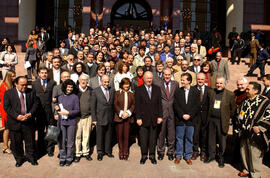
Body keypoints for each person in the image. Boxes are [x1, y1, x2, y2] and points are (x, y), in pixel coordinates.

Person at [236, 82, 270, 178]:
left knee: (255, 154)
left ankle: (256, 173)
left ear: (256, 91)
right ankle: (246, 169)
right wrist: (239, 124)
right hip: (244, 131)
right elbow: (241, 113)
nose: (246, 91)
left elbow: (269, 116)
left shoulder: (265, 102)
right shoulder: (245, 100)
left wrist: (260, 128)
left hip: (256, 133)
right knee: (244, 151)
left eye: (248, 89)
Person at [3, 76, 38, 167]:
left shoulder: (31, 92)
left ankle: (31, 158)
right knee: (16, 142)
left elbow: (35, 104)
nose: (24, 87)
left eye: (26, 85)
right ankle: (19, 159)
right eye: (22, 85)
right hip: (15, 122)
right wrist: (17, 116)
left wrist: (30, 113)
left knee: (30, 141)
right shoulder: (8, 93)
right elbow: (7, 107)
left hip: (28, 121)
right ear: (16, 84)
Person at [204, 76, 236, 168]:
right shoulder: (211, 92)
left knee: (222, 141)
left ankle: (221, 158)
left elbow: (232, 109)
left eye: (221, 83)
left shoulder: (230, 95)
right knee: (211, 139)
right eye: (217, 83)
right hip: (211, 120)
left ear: (224, 84)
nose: (218, 85)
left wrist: (227, 117)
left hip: (222, 121)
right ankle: (211, 156)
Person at [135, 71, 163, 165]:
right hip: (143, 119)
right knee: (143, 139)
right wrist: (138, 118)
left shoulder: (157, 89)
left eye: (151, 78)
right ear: (144, 79)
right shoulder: (139, 90)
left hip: (154, 118)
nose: (149, 80)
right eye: (147, 78)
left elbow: (160, 104)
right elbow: (137, 105)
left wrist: (160, 116)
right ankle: (143, 156)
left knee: (153, 139)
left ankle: (152, 155)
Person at [173, 73, 200, 165]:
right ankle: (178, 155)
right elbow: (175, 105)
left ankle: (188, 156)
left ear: (189, 81)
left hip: (191, 121)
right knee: (179, 138)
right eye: (181, 79)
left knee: (189, 138)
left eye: (183, 80)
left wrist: (190, 115)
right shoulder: (178, 91)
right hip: (180, 120)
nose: (181, 81)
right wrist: (182, 115)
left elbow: (197, 106)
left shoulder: (195, 91)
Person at [32, 66, 57, 157]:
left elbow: (54, 97)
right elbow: (33, 97)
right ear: (38, 74)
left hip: (50, 111)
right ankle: (41, 149)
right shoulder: (35, 84)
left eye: (45, 73)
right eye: (42, 73)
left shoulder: (52, 83)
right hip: (39, 112)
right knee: (40, 131)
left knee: (51, 131)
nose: (44, 74)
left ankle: (50, 149)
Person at [56, 79, 80, 166]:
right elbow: (58, 108)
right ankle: (62, 157)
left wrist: (69, 112)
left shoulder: (75, 97)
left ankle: (69, 158)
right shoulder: (60, 97)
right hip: (61, 122)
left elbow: (77, 110)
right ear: (65, 87)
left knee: (70, 141)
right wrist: (57, 109)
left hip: (71, 122)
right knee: (61, 141)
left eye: (71, 87)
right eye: (68, 87)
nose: (69, 88)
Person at [91, 75, 115, 161]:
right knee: (100, 136)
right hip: (99, 117)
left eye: (108, 82)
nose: (106, 83)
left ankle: (108, 151)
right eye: (105, 82)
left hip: (109, 117)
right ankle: (100, 152)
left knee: (109, 135)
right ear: (101, 82)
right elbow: (93, 106)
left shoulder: (112, 90)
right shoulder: (95, 91)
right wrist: (94, 119)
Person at [156, 68, 178, 161]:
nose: (167, 76)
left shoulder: (176, 84)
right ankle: (160, 152)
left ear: (171, 74)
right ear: (163, 75)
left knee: (171, 134)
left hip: (172, 112)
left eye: (169, 74)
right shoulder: (158, 84)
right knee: (161, 133)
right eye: (165, 74)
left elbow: (177, 98)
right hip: (162, 112)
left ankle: (170, 152)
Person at [114, 78, 135, 160]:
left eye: (128, 84)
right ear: (121, 85)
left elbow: (133, 104)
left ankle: (125, 152)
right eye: (125, 84)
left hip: (128, 118)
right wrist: (121, 113)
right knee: (120, 135)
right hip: (119, 117)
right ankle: (121, 151)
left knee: (126, 135)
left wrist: (128, 113)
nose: (126, 85)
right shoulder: (117, 93)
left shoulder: (132, 94)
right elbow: (115, 104)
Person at [191, 72, 210, 161]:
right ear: (196, 79)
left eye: (202, 79)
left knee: (204, 135)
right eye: (198, 79)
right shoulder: (192, 89)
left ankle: (203, 152)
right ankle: (195, 151)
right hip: (195, 116)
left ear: (205, 80)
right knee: (195, 135)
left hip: (205, 116)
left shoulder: (209, 90)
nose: (200, 81)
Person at [74, 74, 93, 162]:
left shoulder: (91, 90)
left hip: (87, 117)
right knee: (77, 136)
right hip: (77, 117)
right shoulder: (75, 90)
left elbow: (93, 104)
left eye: (85, 79)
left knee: (86, 136)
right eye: (81, 79)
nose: (83, 81)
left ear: (88, 81)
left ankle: (86, 152)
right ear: (78, 80)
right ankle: (77, 153)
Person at [0, 70, 16, 154]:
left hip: (11, 109)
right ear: (8, 77)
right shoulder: (4, 86)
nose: (14, 77)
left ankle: (10, 145)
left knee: (10, 128)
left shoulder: (12, 85)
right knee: (7, 129)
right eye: (12, 76)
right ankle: (5, 147)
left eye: (14, 76)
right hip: (5, 110)